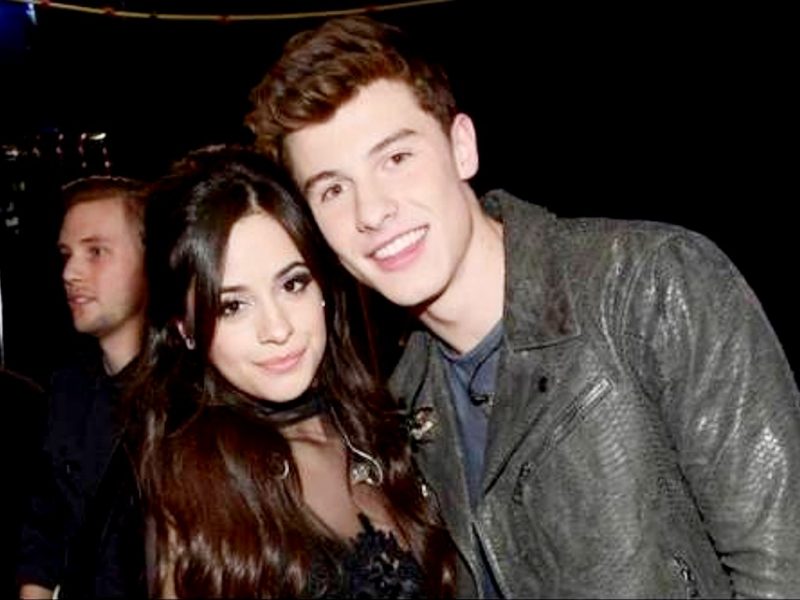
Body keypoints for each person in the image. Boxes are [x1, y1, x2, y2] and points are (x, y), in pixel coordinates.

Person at [246, 15, 800, 598]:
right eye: (333, 189)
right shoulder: (403, 403)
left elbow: (786, 567)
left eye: (396, 158)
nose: (372, 211)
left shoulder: (648, 285)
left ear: (462, 147)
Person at [132, 144, 454, 598]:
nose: (278, 328)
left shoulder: (380, 422)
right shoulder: (196, 492)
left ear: (323, 285)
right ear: (184, 329)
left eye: (292, 283)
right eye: (233, 306)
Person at [17, 176, 148, 599]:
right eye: (67, 255)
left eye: (96, 252)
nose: (71, 272)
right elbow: (44, 524)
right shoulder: (67, 390)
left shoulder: (193, 400)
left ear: (152, 260)